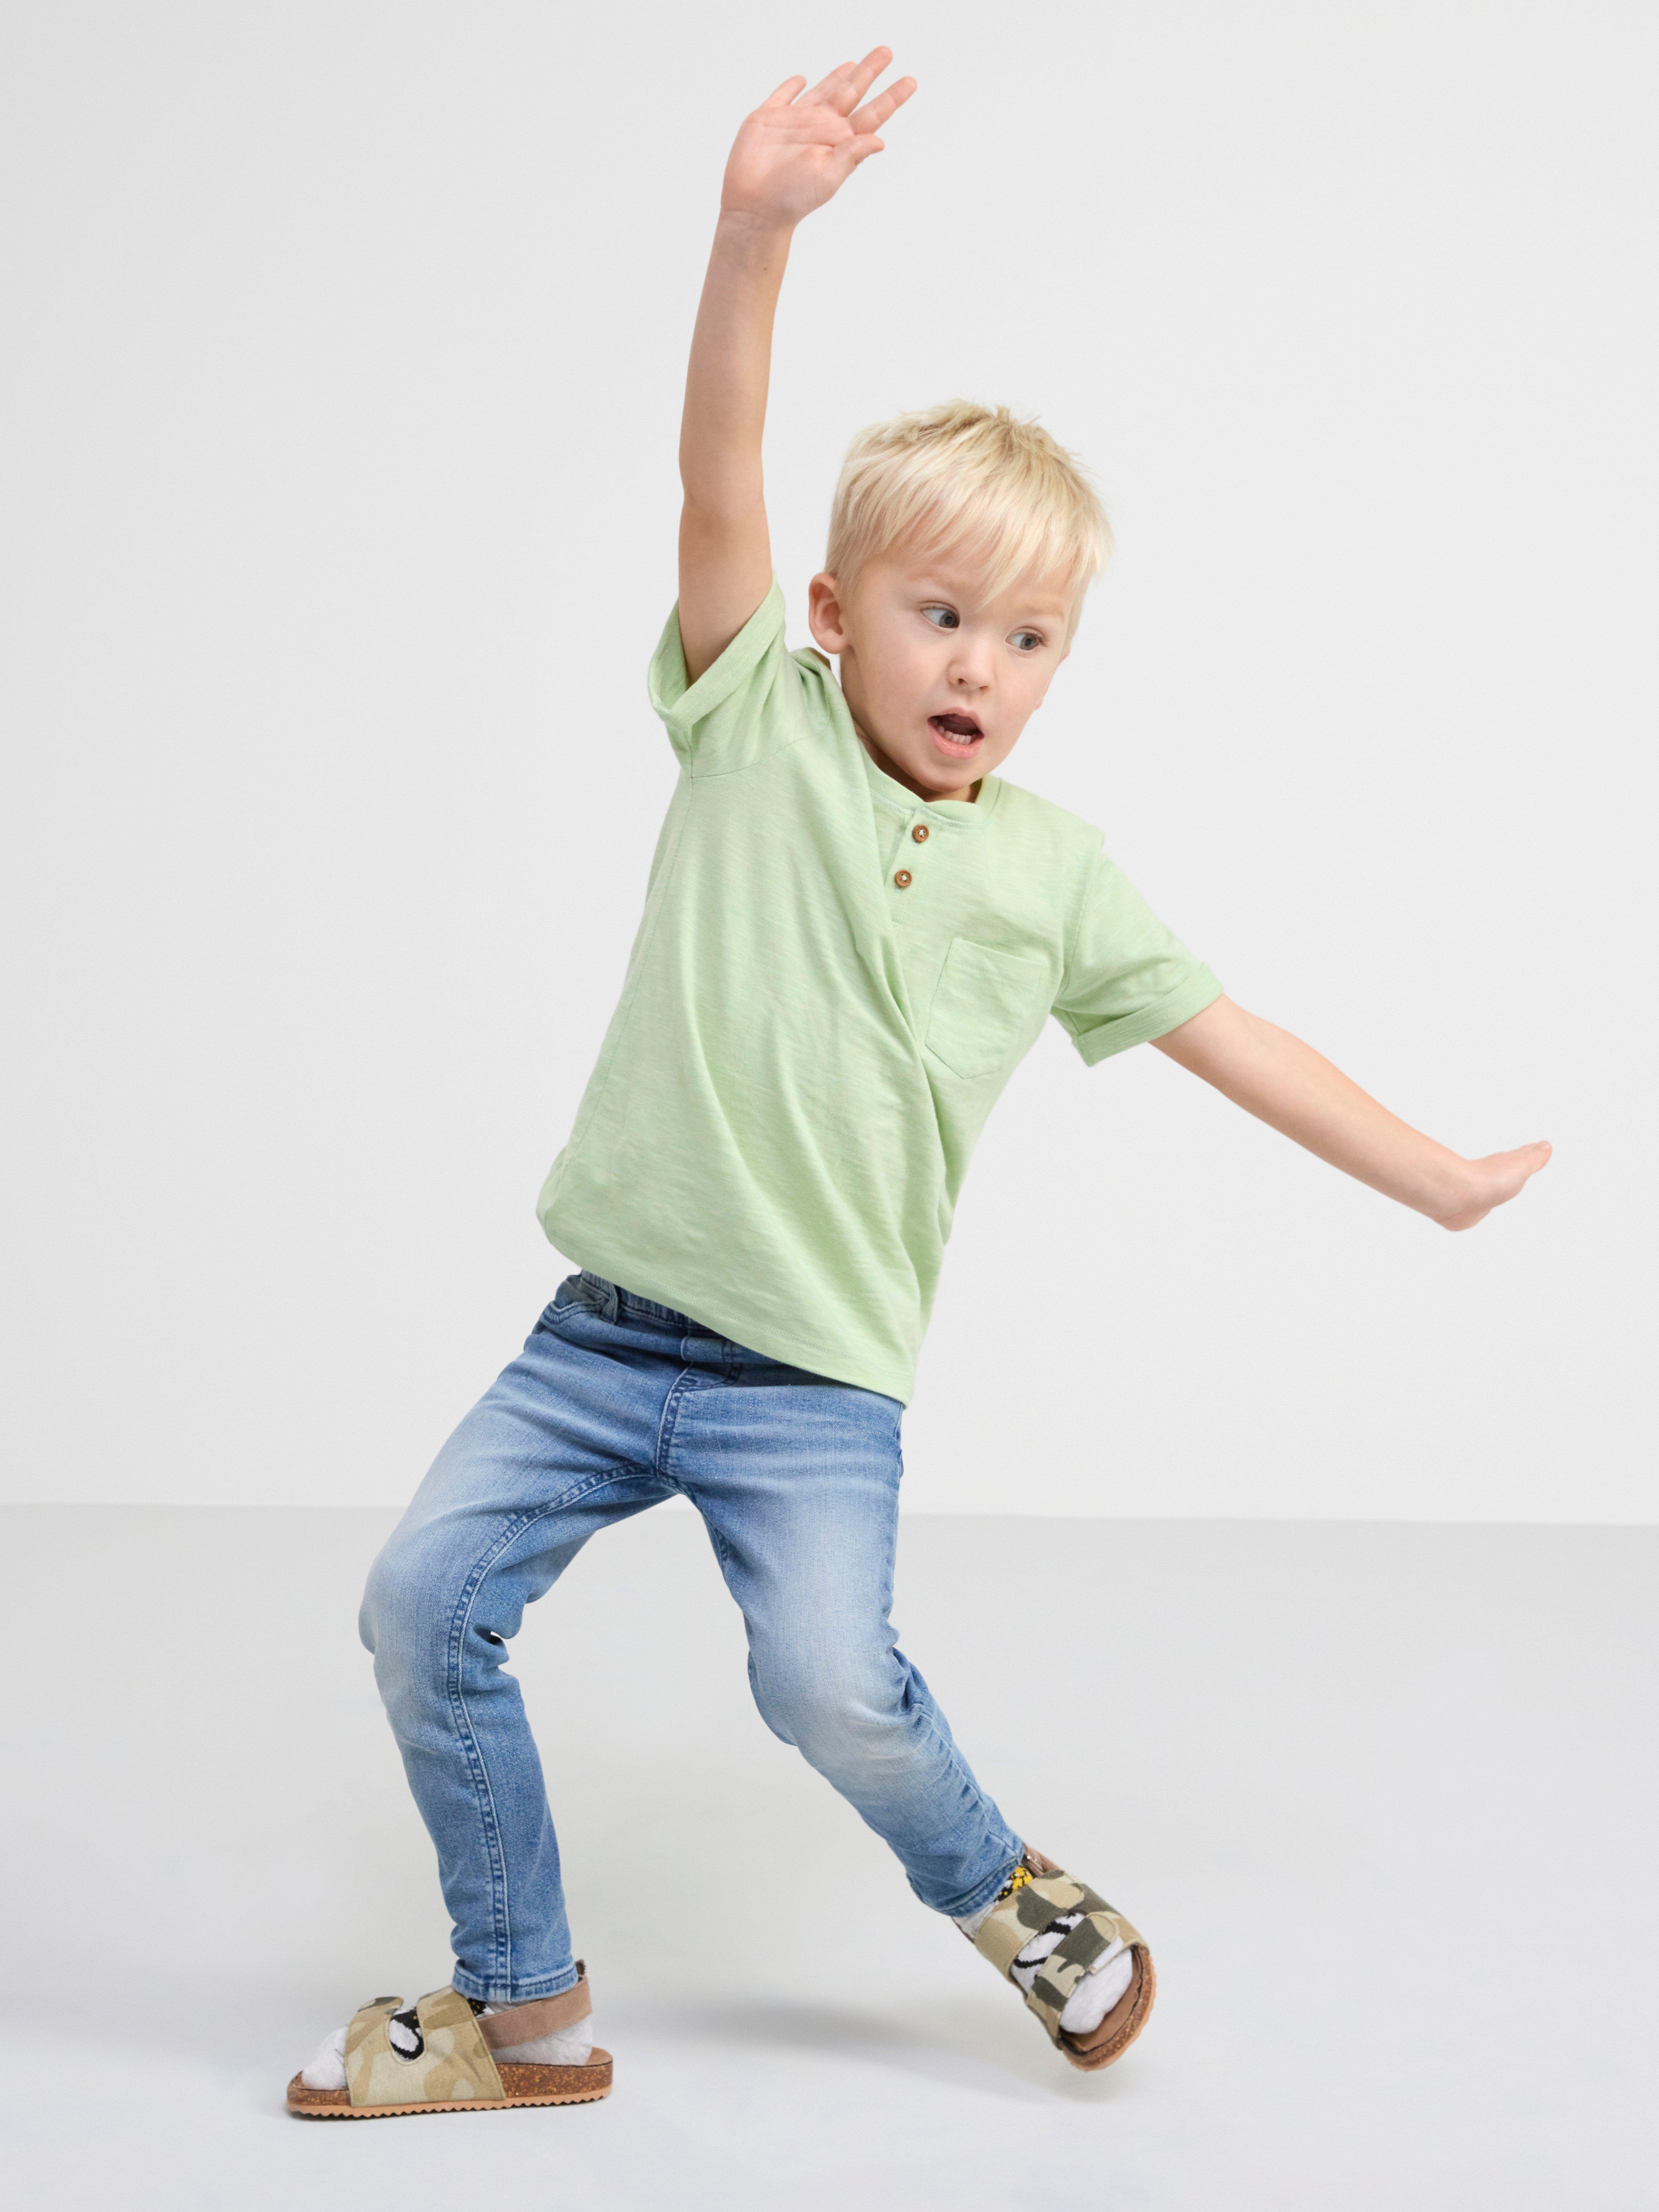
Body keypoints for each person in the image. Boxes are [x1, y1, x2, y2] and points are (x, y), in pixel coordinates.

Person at [287, 48, 1550, 2119]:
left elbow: (1233, 1037)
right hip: (600, 1332)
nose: (979, 664)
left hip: (814, 1383)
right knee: (418, 1601)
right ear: (829, 614)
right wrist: (754, 231)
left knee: (829, 1686)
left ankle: (1008, 1891)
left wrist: (1428, 1177)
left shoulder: (1054, 876)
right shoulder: (748, 727)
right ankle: (526, 2007)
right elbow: (716, 472)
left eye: (1029, 634)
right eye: (940, 612)